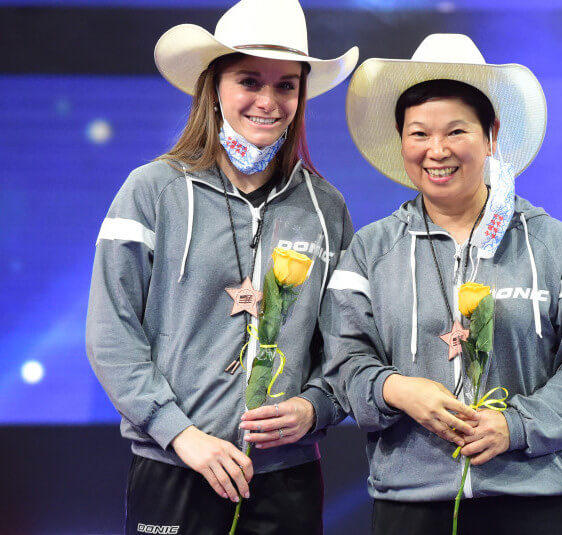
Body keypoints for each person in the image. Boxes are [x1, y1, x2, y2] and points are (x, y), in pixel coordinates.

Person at [322, 34, 562, 534]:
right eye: (418, 134)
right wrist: (396, 388)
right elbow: (341, 362)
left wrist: (518, 425)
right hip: (412, 504)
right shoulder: (372, 250)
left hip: (537, 500)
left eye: (455, 131)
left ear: (491, 135)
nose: (435, 150)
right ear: (401, 142)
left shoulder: (552, 241)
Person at [85, 1, 358, 533]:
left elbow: (347, 344)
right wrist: (180, 434)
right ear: (213, 87)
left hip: (287, 478)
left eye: (286, 85)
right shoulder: (153, 191)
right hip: (176, 468)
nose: (268, 101)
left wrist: (317, 407)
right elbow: (110, 333)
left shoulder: (328, 209)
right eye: (249, 80)